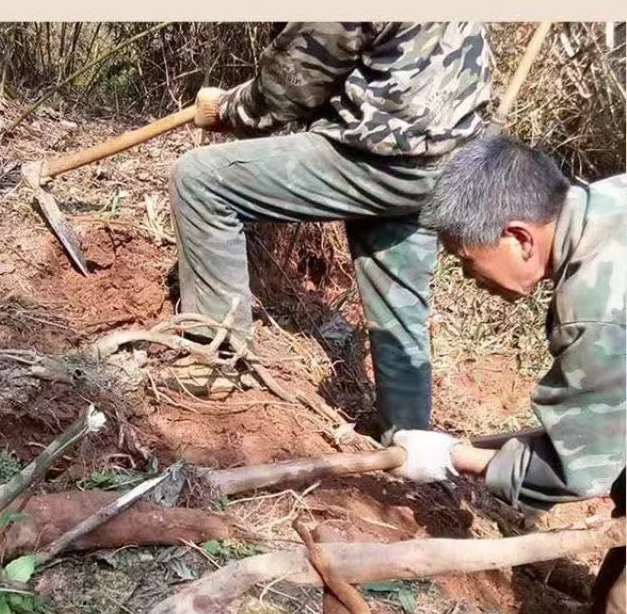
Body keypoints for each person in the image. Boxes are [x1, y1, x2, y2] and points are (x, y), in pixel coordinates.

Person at [169, 22, 491, 438]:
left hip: (383, 156)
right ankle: (409, 438)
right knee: (399, 302)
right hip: (448, 164)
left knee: (200, 179)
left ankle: (217, 361)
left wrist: (228, 109)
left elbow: (290, 87)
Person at [398, 134, 625, 614]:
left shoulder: (597, 305)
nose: (469, 278)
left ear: (519, 238)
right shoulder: (607, 201)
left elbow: (574, 471)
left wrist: (451, 458)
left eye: (467, 260)